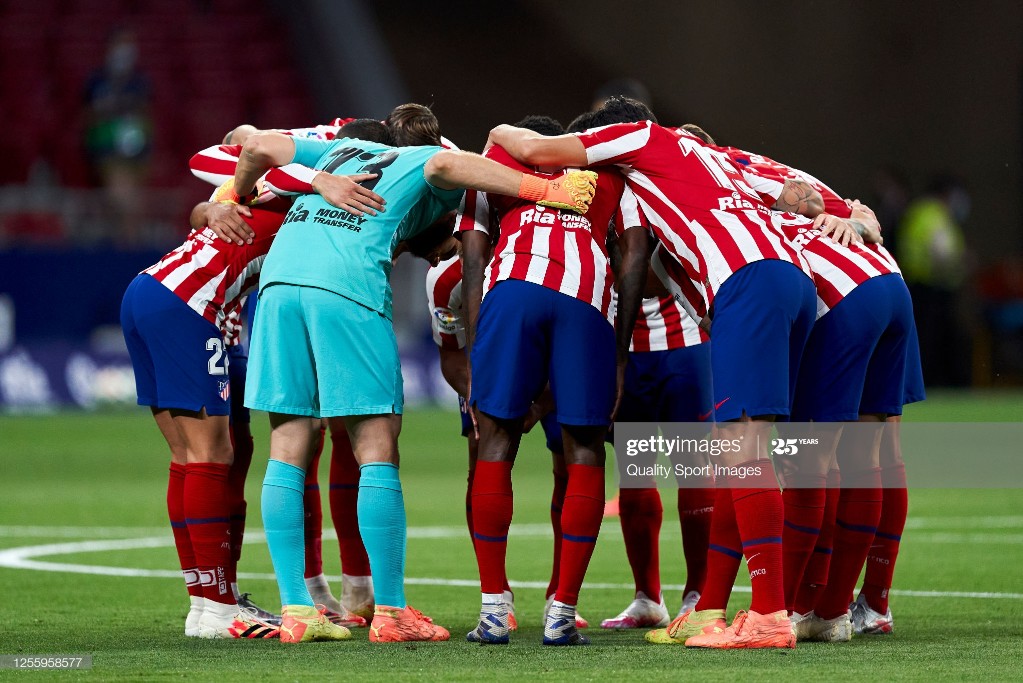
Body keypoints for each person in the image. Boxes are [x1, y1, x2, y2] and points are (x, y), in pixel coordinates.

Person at [233, 127, 597, 644]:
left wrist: (239, 193)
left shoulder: (333, 151)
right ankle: (391, 612)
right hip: (345, 286)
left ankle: (297, 608)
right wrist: (544, 190)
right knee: (375, 446)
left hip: (277, 287)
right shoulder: (414, 158)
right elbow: (447, 168)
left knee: (288, 443)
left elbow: (253, 144)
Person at [488, 96, 820, 650]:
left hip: (746, 283)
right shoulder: (707, 154)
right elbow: (796, 195)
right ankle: (711, 605)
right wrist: (849, 212)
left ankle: (768, 615)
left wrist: (499, 127)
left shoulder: (638, 139)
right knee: (753, 451)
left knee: (743, 452)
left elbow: (532, 147)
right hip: (791, 278)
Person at [120, 133, 384, 639]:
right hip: (188, 306)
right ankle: (220, 609)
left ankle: (206, 602)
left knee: (196, 456)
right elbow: (258, 162)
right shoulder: (306, 192)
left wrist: (209, 209)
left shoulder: (298, 202)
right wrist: (323, 181)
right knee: (211, 457)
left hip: (156, 293)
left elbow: (224, 201)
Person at [458, 113, 640, 646]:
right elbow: (631, 254)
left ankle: (494, 611)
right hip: (586, 296)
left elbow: (472, 255)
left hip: (514, 285)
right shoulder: (608, 171)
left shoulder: (493, 162)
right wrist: (620, 353)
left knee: (494, 439)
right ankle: (561, 614)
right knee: (585, 448)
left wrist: (477, 351)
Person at [84, 27, 152, 246]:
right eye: (120, 44)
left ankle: (129, 238)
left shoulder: (139, 82)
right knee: (119, 188)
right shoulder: (96, 81)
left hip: (134, 148)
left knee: (129, 191)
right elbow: (88, 118)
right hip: (105, 148)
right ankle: (126, 239)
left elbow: (146, 117)